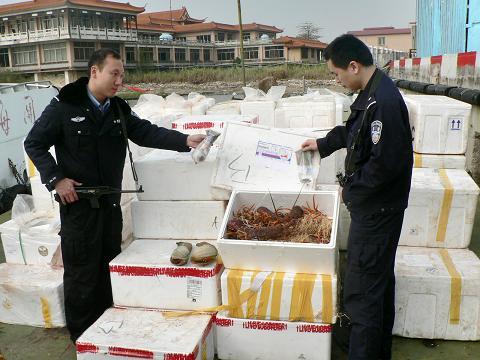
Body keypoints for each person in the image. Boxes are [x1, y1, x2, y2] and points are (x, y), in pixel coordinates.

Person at [24, 48, 205, 342]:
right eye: (114, 73)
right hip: (79, 208)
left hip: (110, 206)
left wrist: (184, 140)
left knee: (109, 268)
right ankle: (83, 340)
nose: (119, 80)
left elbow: (146, 132)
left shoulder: (118, 109)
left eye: (122, 75)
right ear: (94, 72)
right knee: (82, 276)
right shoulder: (64, 106)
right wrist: (57, 180)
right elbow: (34, 144)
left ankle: (108, 334)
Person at [302, 34, 413, 360]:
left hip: (378, 212)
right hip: (377, 208)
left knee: (362, 294)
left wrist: (351, 188)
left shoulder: (385, 103)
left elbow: (386, 166)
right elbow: (354, 131)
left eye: (337, 74)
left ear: (353, 66)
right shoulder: (371, 93)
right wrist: (322, 145)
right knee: (377, 287)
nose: (337, 80)